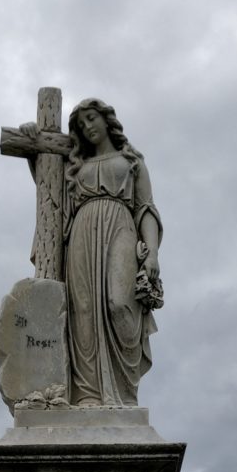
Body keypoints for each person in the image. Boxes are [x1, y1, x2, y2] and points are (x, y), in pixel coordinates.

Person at [24, 99, 163, 407]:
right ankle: (87, 394)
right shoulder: (77, 166)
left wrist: (152, 253)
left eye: (91, 118)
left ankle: (123, 394)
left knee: (119, 303)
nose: (88, 126)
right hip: (82, 234)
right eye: (81, 124)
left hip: (120, 227)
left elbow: (146, 209)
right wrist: (35, 155)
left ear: (106, 119)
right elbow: (52, 192)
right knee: (83, 312)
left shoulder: (131, 160)